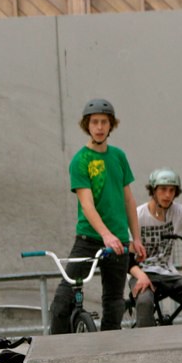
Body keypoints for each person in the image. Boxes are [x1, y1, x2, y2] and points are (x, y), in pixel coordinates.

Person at [50, 98, 146, 333]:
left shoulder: (118, 156)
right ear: (87, 125)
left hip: (119, 241)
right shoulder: (80, 160)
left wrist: (136, 237)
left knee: (114, 303)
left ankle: (109, 347)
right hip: (89, 239)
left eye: (104, 122)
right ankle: (57, 346)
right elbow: (87, 204)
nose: (100, 127)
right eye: (95, 122)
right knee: (63, 300)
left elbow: (128, 200)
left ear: (111, 125)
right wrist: (105, 235)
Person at [127, 168, 182, 327]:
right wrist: (141, 276)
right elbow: (128, 259)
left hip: (167, 273)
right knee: (144, 302)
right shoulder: (138, 215)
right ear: (153, 190)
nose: (167, 195)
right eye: (163, 189)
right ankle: (147, 341)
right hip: (141, 272)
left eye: (172, 190)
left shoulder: (178, 211)